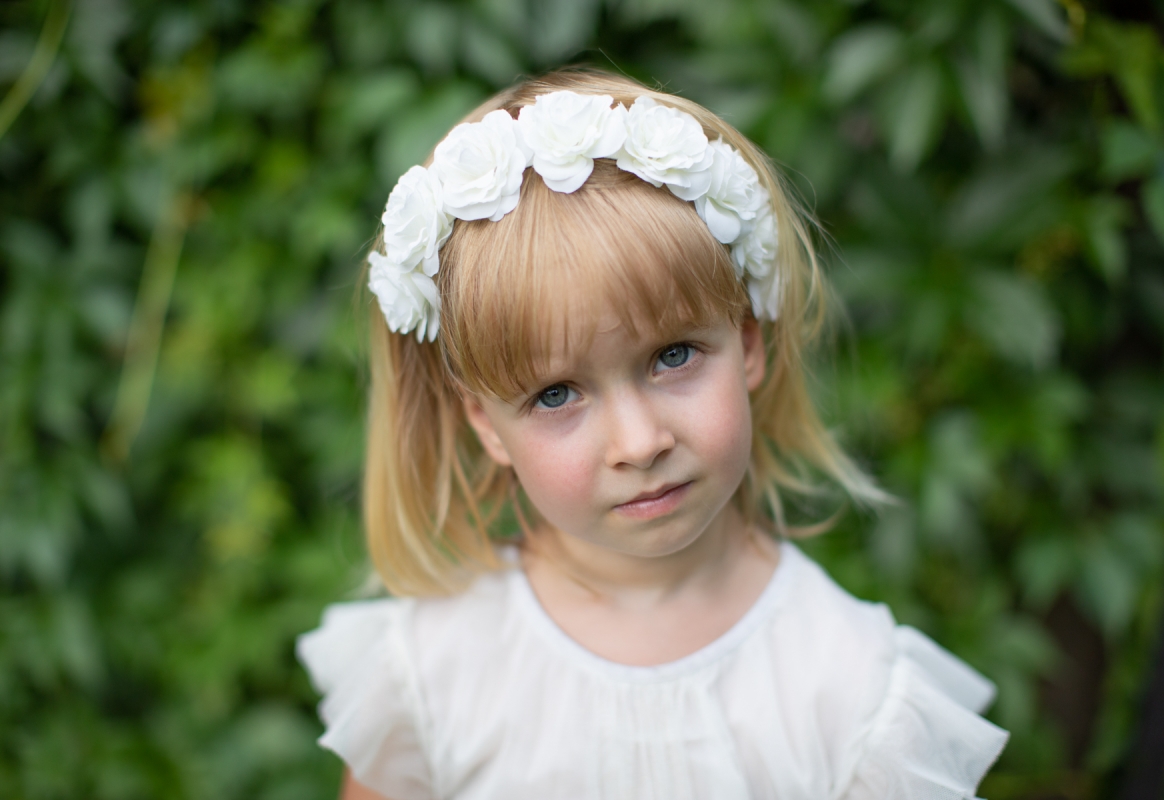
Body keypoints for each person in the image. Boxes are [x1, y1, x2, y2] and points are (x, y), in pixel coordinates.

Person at [296, 68, 1009, 800]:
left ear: (749, 342)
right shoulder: (431, 672)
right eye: (555, 394)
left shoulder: (853, 690)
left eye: (673, 357)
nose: (640, 444)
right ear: (486, 422)